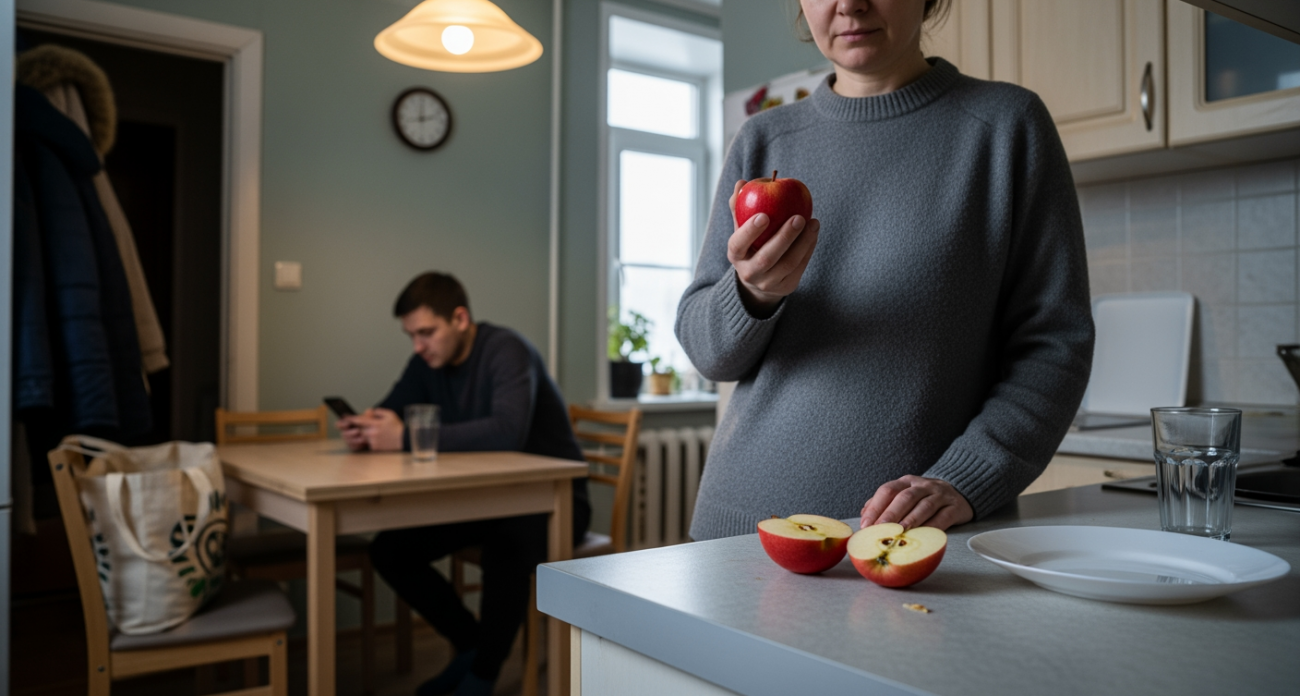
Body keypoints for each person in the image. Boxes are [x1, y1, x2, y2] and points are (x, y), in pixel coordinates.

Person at [676, 0, 1095, 542]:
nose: (850, 4)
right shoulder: (762, 139)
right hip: (739, 526)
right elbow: (708, 353)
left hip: (912, 537)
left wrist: (966, 479)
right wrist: (751, 294)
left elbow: (1055, 344)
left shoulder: (1006, 126)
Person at [343, 272, 591, 696]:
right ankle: (473, 644)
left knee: (505, 544)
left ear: (459, 319)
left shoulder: (506, 351)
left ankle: (482, 675)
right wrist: (367, 428)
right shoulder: (427, 362)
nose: (418, 345)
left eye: (426, 333)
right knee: (390, 550)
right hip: (487, 501)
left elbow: (507, 431)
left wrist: (403, 438)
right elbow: (391, 409)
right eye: (411, 336)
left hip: (555, 503)